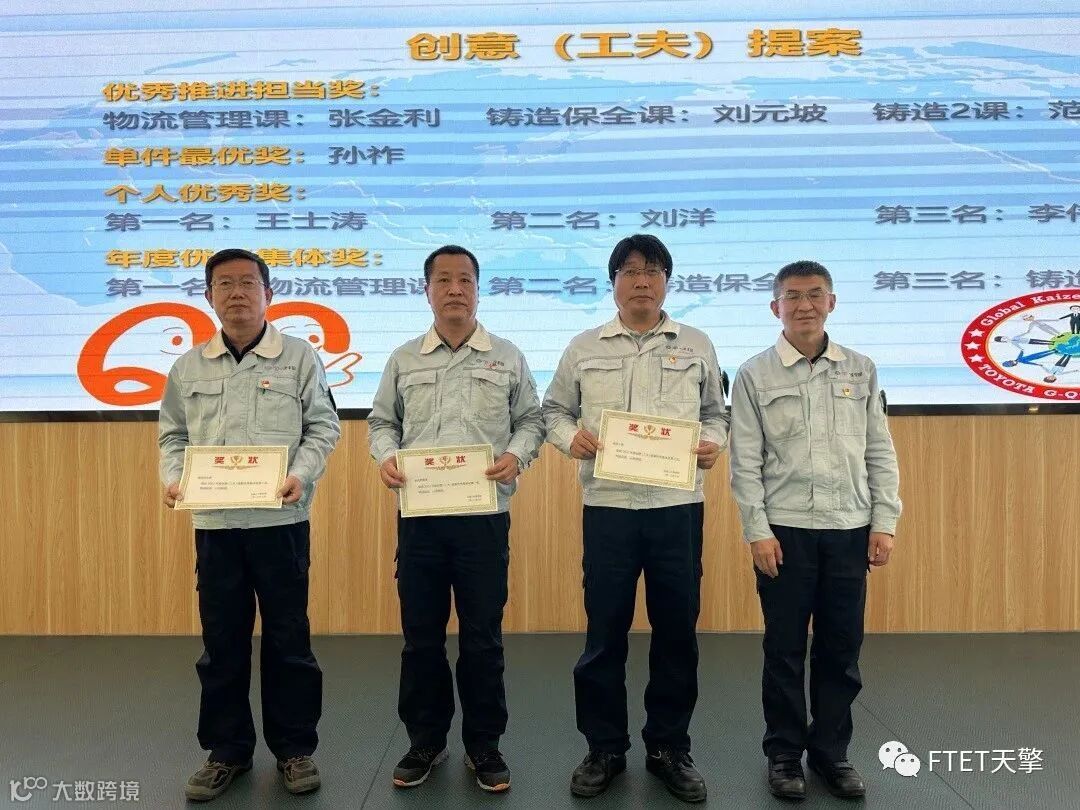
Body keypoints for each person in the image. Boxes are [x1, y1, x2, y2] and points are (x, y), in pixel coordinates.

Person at [542, 234, 728, 803]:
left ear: (667, 281)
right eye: (629, 270)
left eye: (652, 270)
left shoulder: (696, 344)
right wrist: (570, 438)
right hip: (609, 510)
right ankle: (604, 748)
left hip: (677, 510)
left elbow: (716, 415)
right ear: (613, 283)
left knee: (677, 634)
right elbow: (554, 410)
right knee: (604, 635)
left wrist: (713, 443)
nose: (641, 280)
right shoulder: (583, 347)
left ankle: (669, 747)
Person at [158, 248, 340, 801]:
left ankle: (294, 750)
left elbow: (324, 427)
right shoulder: (188, 367)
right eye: (224, 284)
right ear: (208, 296)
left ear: (268, 293)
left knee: (288, 639)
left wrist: (301, 475)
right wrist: (174, 479)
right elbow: (173, 436)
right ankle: (227, 751)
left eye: (247, 283)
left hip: (280, 522)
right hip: (215, 525)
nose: (236, 293)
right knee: (222, 643)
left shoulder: (300, 358)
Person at [368, 245, 545, 793]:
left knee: (482, 638)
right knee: (420, 638)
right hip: (420, 519)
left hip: (482, 518)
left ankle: (484, 744)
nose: (454, 289)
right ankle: (425, 740)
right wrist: (386, 457)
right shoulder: (404, 359)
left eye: (465, 279)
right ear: (426, 290)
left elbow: (532, 421)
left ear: (477, 289)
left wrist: (516, 455)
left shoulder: (507, 356)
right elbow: (381, 423)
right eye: (443, 280)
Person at [728, 260, 901, 800]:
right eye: (792, 296)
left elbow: (879, 450)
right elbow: (745, 462)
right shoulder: (755, 374)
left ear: (832, 302)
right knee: (783, 649)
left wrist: (885, 521)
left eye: (815, 294)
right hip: (785, 532)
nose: (804, 305)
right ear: (774, 306)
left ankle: (831, 752)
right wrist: (757, 531)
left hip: (849, 528)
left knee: (840, 648)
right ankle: (784, 755)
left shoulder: (861, 369)